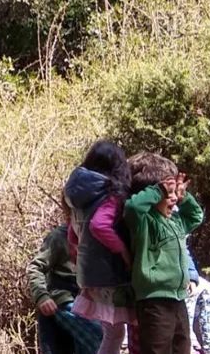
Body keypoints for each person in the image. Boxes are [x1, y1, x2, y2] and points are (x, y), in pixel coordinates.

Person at [124, 153, 204, 354]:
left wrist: (184, 197)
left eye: (175, 193)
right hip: (153, 301)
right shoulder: (144, 222)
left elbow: (196, 216)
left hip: (178, 298)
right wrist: (158, 190)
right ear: (154, 195)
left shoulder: (176, 222)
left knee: (182, 348)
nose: (174, 198)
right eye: (169, 194)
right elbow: (132, 207)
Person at [65, 141, 138, 354]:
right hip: (109, 274)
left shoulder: (77, 195)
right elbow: (99, 225)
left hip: (89, 273)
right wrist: (123, 251)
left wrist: (81, 255)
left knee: (112, 332)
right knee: (116, 333)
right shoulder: (111, 193)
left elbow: (72, 233)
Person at [27, 199, 106, 354]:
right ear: (69, 214)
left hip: (91, 303)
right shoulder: (58, 237)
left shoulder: (97, 236)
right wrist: (42, 297)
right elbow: (35, 268)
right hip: (64, 302)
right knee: (100, 336)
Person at [184, 247, 210, 354]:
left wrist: (192, 277)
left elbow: (184, 251)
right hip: (164, 280)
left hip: (183, 275)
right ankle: (187, 346)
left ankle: (209, 348)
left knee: (207, 289)